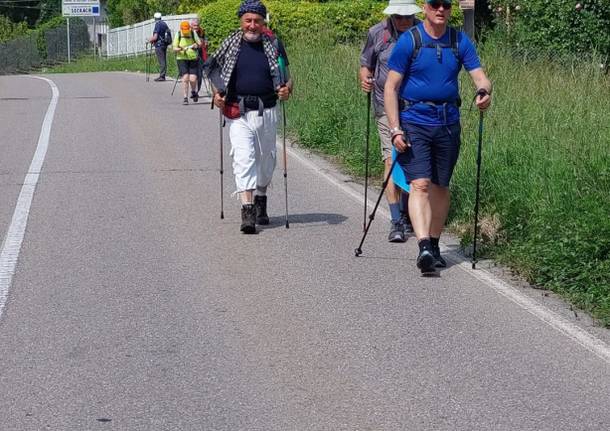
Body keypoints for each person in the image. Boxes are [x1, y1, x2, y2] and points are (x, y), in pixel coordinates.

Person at [384, 0, 492, 273]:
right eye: (435, 4)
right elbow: (391, 87)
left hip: (447, 123)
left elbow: (480, 76)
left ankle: (433, 243)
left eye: (446, 4)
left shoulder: (459, 40)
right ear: (425, 7)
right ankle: (423, 248)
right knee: (420, 184)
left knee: (440, 186)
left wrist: (483, 92)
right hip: (414, 122)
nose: (441, 9)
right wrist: (395, 128)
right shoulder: (411, 41)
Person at [205, 0, 293, 234]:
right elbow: (213, 70)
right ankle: (247, 210)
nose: (252, 25)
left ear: (263, 22)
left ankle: (261, 196)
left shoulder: (274, 44)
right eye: (248, 21)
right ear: (241, 21)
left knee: (266, 161)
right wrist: (217, 94)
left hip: (268, 110)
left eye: (257, 21)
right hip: (238, 112)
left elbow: (286, 76)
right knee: (243, 159)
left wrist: (287, 89)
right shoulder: (230, 44)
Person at [360, 0, 421, 243]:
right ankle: (396, 220)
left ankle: (409, 212)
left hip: (417, 108)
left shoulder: (423, 32)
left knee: (414, 161)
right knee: (392, 159)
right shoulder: (377, 33)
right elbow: (366, 65)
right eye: (398, 16)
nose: (404, 21)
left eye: (407, 17)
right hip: (385, 106)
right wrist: (365, 80)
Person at [173, 21, 202, 105]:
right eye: (184, 31)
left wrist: (195, 45)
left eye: (187, 30)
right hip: (181, 58)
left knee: (193, 78)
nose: (186, 33)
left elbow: (199, 43)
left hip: (193, 58)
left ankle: (193, 92)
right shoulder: (178, 34)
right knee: (185, 78)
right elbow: (174, 48)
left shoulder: (193, 33)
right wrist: (181, 49)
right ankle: (185, 97)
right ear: (181, 29)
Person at [190, 18, 209, 98]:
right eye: (194, 25)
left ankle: (196, 92)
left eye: (197, 25)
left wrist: (205, 42)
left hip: (200, 55)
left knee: (200, 75)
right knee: (192, 76)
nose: (196, 27)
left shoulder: (202, 31)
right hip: (190, 56)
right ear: (191, 25)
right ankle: (193, 90)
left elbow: (205, 40)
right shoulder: (188, 32)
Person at [149, 12, 170, 82]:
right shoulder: (164, 24)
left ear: (155, 18)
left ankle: (162, 76)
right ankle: (162, 75)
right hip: (164, 44)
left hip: (159, 45)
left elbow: (155, 37)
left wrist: (150, 40)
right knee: (163, 60)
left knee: (161, 61)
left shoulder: (157, 24)